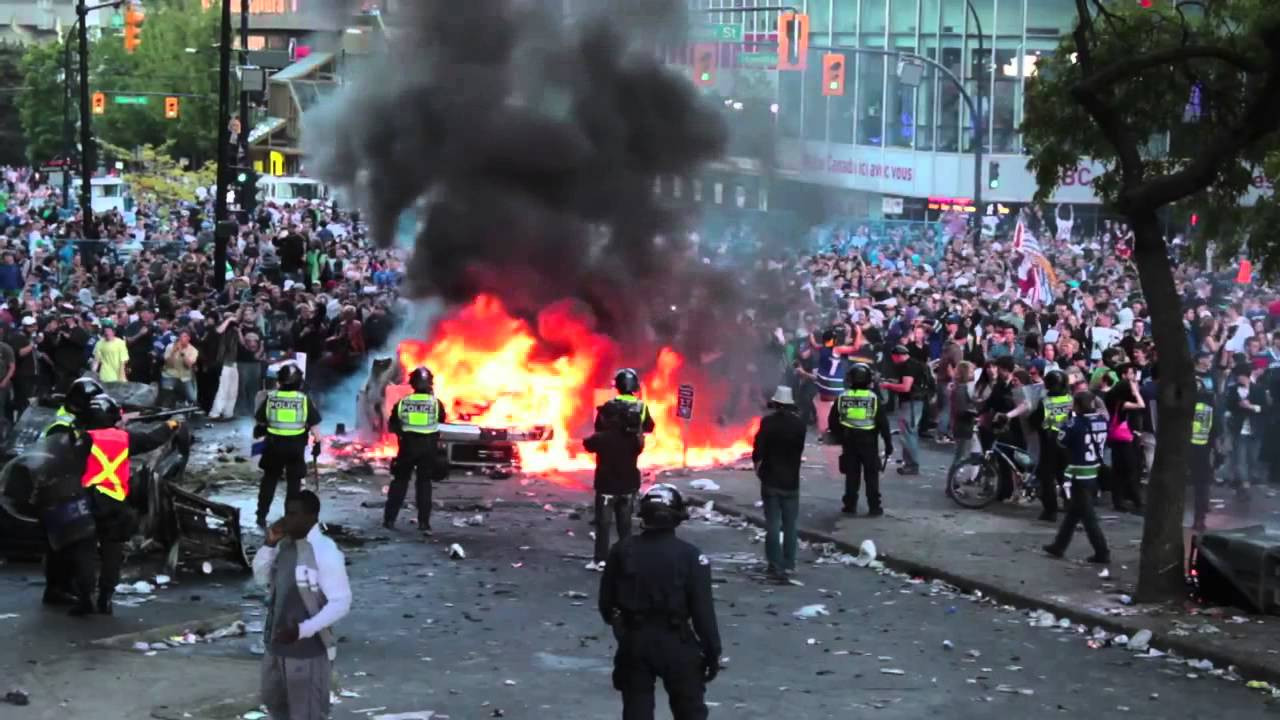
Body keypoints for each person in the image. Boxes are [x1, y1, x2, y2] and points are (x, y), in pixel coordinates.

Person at [599, 484, 722, 720]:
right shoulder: (691, 556)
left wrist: (625, 632)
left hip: (635, 640)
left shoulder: (622, 550)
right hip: (677, 642)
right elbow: (703, 613)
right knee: (690, 711)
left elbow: (606, 605)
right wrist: (712, 653)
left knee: (636, 709)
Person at [74, 393, 184, 614]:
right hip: (115, 502)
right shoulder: (124, 438)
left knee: (85, 551)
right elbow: (152, 438)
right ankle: (106, 599)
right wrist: (171, 425)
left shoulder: (82, 439)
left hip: (86, 502)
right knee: (112, 552)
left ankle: (85, 599)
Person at [254, 490, 351, 720]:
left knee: (306, 713)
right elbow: (260, 579)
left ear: (311, 517)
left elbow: (341, 602)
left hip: (308, 652)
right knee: (276, 706)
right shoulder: (284, 546)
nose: (288, 519)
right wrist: (269, 544)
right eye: (287, 513)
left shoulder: (325, 551)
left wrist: (302, 630)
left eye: (294, 514)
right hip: (276, 647)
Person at [584, 378, 648, 573]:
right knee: (625, 526)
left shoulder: (602, 437)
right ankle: (626, 561)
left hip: (606, 486)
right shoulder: (635, 441)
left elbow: (588, 443)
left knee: (604, 525)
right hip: (628, 485)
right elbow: (646, 430)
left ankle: (600, 560)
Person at [1043, 391, 1110, 564]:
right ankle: (1059, 545)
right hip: (1093, 470)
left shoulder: (1075, 424)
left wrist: (1065, 421)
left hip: (1079, 472)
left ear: (1078, 406)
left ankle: (1102, 551)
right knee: (1074, 512)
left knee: (1088, 517)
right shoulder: (1101, 421)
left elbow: (1061, 441)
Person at [254, 363, 321, 528]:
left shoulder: (271, 397)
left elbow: (260, 419)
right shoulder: (303, 400)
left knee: (269, 481)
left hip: (273, 446)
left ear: (280, 382)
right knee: (294, 485)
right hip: (295, 448)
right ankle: (290, 518)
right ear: (299, 382)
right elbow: (314, 427)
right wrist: (317, 443)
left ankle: (261, 515)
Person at [751, 385, 807, 581]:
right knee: (790, 525)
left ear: (776, 403)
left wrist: (758, 468)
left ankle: (775, 565)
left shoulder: (768, 423)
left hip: (771, 480)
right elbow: (799, 450)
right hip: (791, 481)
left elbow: (758, 450)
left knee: (773, 525)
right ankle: (789, 564)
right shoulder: (799, 425)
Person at [384, 367, 446, 535]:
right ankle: (424, 523)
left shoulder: (403, 403)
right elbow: (441, 423)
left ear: (412, 384)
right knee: (424, 484)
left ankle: (389, 520)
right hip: (428, 448)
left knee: (400, 482)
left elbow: (392, 425)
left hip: (408, 447)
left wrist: (403, 433)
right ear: (430, 384)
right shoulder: (436, 403)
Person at [829, 363, 893, 516]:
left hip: (849, 441)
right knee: (871, 476)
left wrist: (840, 436)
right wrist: (888, 443)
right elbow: (883, 423)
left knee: (852, 475)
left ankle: (850, 506)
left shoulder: (843, 397)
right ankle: (874, 507)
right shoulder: (873, 398)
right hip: (869, 442)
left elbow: (832, 421)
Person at [881, 344, 927, 475]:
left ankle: (912, 464)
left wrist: (888, 385)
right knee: (909, 432)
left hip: (911, 402)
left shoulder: (908, 366)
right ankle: (909, 463)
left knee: (908, 433)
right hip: (914, 401)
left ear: (897, 355)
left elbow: (906, 387)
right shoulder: (914, 364)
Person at [1034, 370, 1073, 522]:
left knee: (1047, 478)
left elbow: (1035, 420)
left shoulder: (1045, 401)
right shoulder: (1070, 399)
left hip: (1049, 441)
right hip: (1066, 442)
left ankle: (1051, 511)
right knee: (1065, 476)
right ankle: (1070, 505)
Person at [1189, 384, 1218, 532]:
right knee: (1202, 485)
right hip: (1205, 450)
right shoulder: (1211, 408)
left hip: (1188, 449)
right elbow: (1217, 429)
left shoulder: (1188, 407)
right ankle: (1200, 517)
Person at [597, 368, 655, 436]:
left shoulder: (607, 406)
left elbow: (599, 428)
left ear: (617, 386)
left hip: (613, 445)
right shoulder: (642, 406)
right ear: (635, 385)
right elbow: (649, 428)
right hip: (634, 445)